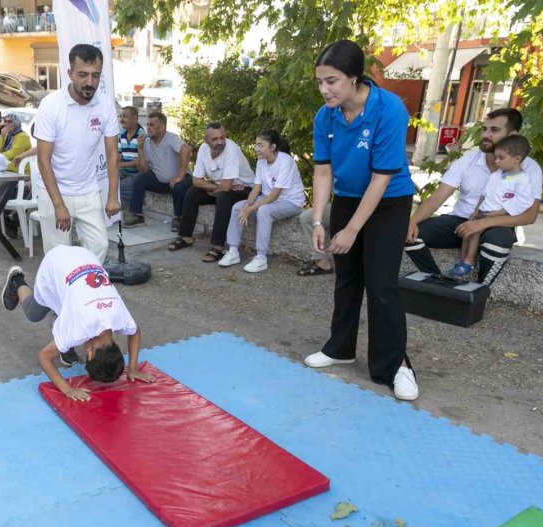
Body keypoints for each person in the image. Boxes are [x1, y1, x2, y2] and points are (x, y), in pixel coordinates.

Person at [305, 40, 418, 401]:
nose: (325, 89)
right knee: (347, 279)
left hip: (389, 202)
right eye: (320, 82)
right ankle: (341, 347)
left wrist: (352, 230)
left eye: (332, 81)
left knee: (382, 284)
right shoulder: (326, 116)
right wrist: (320, 221)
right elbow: (323, 172)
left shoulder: (389, 109)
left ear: (354, 78)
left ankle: (396, 365)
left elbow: (381, 178)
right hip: (350, 196)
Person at [405, 108, 543, 286]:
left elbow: (530, 216)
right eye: (484, 129)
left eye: (494, 130)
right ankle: (438, 282)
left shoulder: (529, 168)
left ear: (512, 134)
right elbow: (438, 196)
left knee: (497, 243)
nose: (486, 135)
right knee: (407, 234)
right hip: (460, 222)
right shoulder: (468, 160)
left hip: (498, 223)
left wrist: (482, 223)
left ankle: (478, 292)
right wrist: (413, 221)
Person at [0, 245, 155, 400]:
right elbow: (43, 357)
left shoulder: (119, 317)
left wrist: (133, 368)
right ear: (90, 352)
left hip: (85, 254)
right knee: (33, 313)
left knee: (67, 327)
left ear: (118, 348)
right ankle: (16, 280)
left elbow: (135, 332)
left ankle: (61, 327)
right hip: (55, 262)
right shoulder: (78, 329)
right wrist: (67, 390)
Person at [34, 43, 120, 263]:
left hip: (88, 191)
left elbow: (112, 155)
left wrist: (111, 197)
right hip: (54, 191)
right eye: (83, 75)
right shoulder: (51, 105)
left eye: (95, 76)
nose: (89, 82)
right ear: (70, 73)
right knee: (58, 258)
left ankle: (83, 293)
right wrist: (59, 204)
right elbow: (43, 160)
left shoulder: (106, 104)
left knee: (99, 246)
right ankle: (62, 296)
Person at [219, 129, 305, 272]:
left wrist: (252, 209)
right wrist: (247, 205)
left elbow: (276, 194)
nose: (256, 148)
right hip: (267, 199)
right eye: (256, 145)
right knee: (237, 207)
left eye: (260, 145)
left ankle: (261, 257)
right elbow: (256, 189)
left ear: (272, 147)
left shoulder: (285, 161)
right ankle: (233, 251)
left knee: (264, 210)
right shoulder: (261, 162)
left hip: (290, 202)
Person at [167, 122, 254, 263]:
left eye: (222, 137)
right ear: (206, 140)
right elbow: (196, 181)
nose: (220, 142)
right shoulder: (203, 149)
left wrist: (216, 188)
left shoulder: (231, 149)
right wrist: (216, 188)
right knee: (192, 192)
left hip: (244, 189)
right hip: (220, 187)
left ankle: (217, 247)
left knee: (224, 197)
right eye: (215, 139)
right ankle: (186, 237)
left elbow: (226, 187)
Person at [451, 135, 535, 277]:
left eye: (501, 158)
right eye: (496, 157)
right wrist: (476, 210)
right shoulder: (497, 175)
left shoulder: (523, 179)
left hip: (500, 218)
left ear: (517, 159)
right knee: (468, 231)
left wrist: (501, 212)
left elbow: (524, 201)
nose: (496, 161)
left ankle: (469, 261)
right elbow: (485, 194)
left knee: (475, 232)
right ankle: (463, 260)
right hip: (484, 212)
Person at [131, 111, 192, 232]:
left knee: (180, 186)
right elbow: (143, 169)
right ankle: (137, 215)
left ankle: (177, 218)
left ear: (162, 127)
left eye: (152, 125)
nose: (148, 128)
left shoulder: (171, 138)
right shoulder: (147, 142)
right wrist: (140, 149)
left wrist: (180, 176)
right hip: (162, 182)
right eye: (147, 124)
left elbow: (187, 149)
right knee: (139, 178)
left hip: (181, 180)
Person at [0, 112, 32, 236]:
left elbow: (12, 153)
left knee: (3, 185)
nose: (6, 124)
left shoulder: (22, 136)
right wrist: (1, 138)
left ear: (16, 122)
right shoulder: (8, 136)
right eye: (5, 121)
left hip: (19, 174)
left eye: (10, 121)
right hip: (6, 171)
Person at [116, 106, 145, 226]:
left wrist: (120, 164)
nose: (122, 119)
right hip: (124, 171)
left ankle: (124, 212)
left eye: (125, 117)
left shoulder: (142, 135)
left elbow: (140, 161)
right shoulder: (122, 134)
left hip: (137, 173)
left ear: (135, 119)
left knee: (120, 187)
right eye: (121, 116)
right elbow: (119, 154)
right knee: (106, 181)